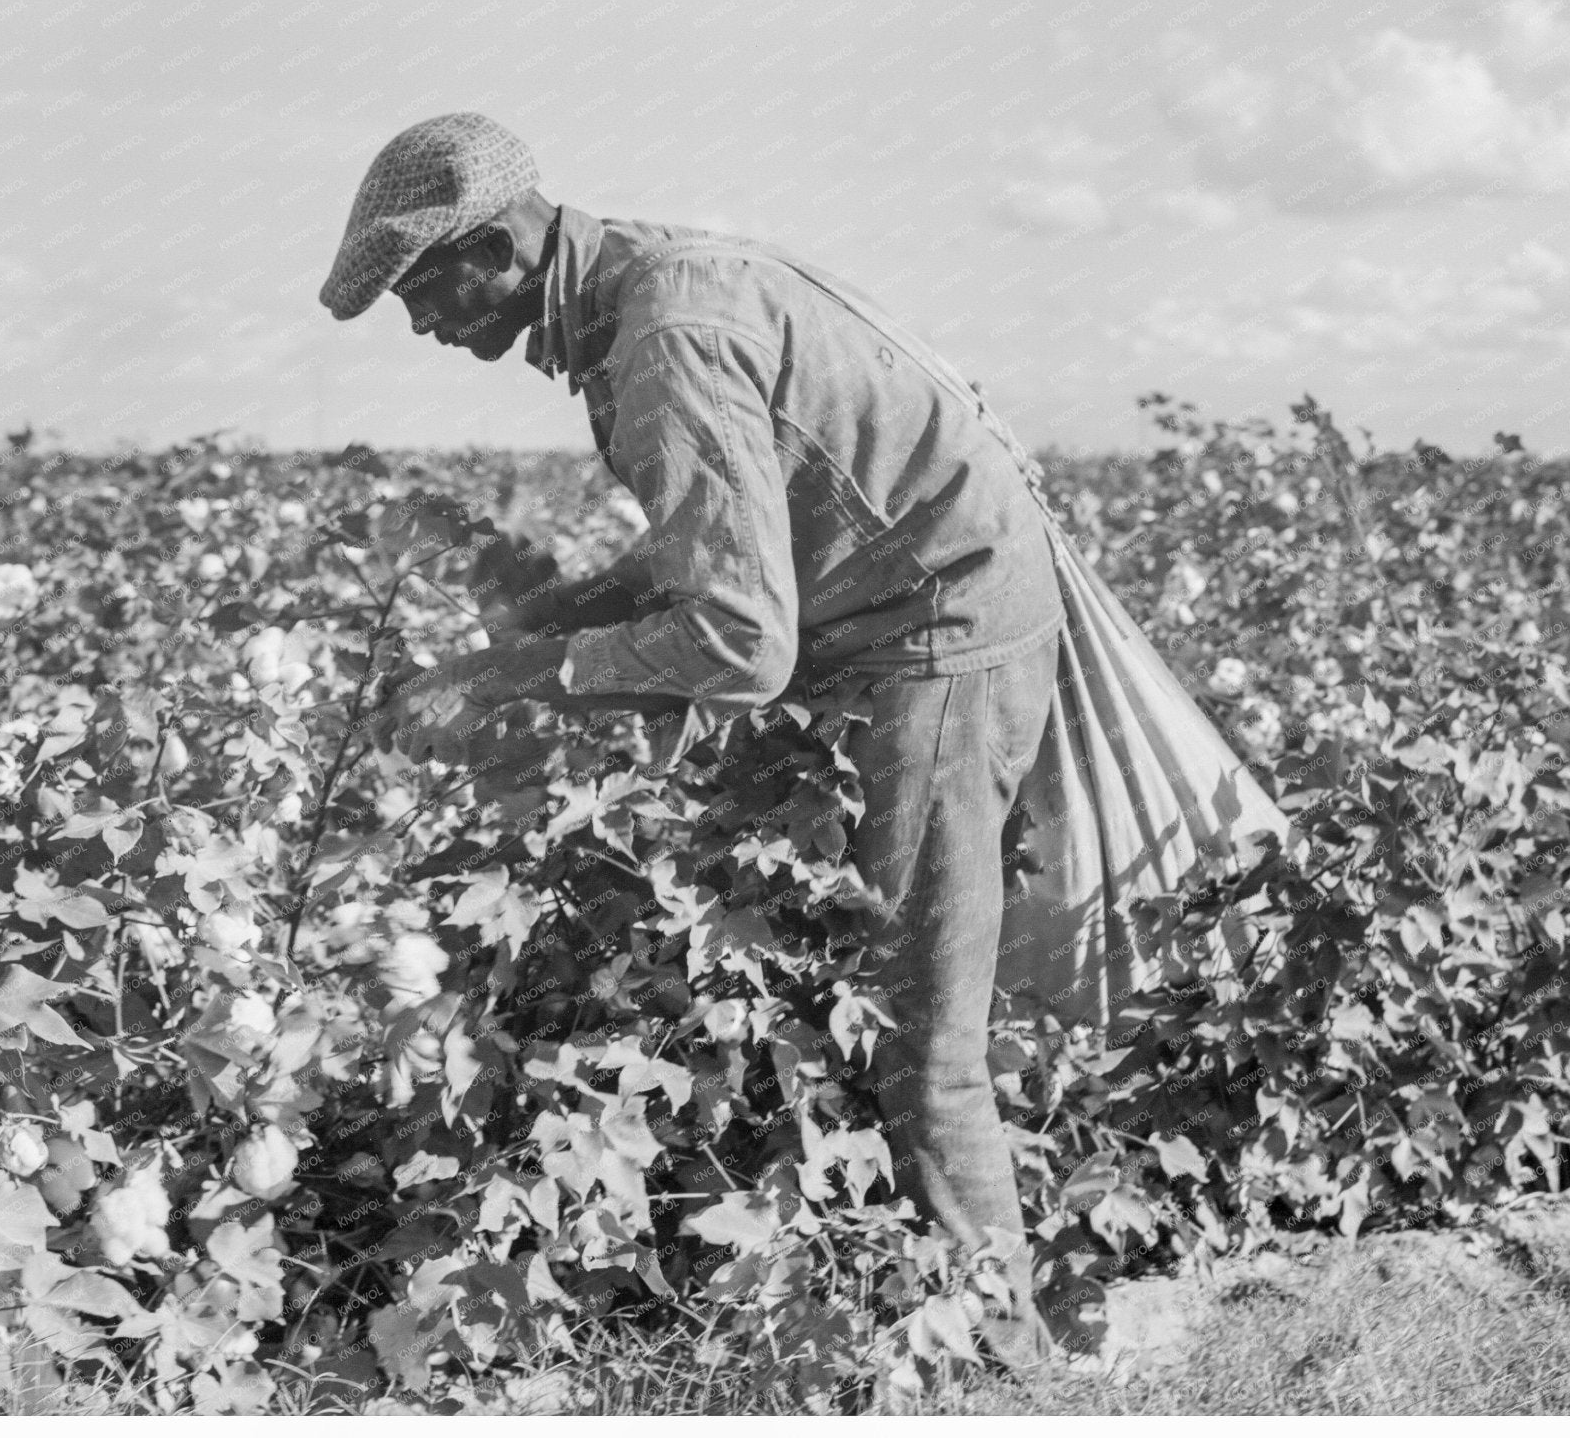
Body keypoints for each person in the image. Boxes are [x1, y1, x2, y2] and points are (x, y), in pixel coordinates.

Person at [321, 111, 1069, 1368]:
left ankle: (1011, 1368)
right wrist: (550, 618)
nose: (423, 327)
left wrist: (530, 674)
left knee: (920, 1033)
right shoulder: (652, 280)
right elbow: (723, 537)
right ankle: (906, 1310)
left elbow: (738, 639)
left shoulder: (665, 337)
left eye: (421, 291)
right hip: (902, 611)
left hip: (939, 638)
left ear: (500, 246)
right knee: (875, 981)